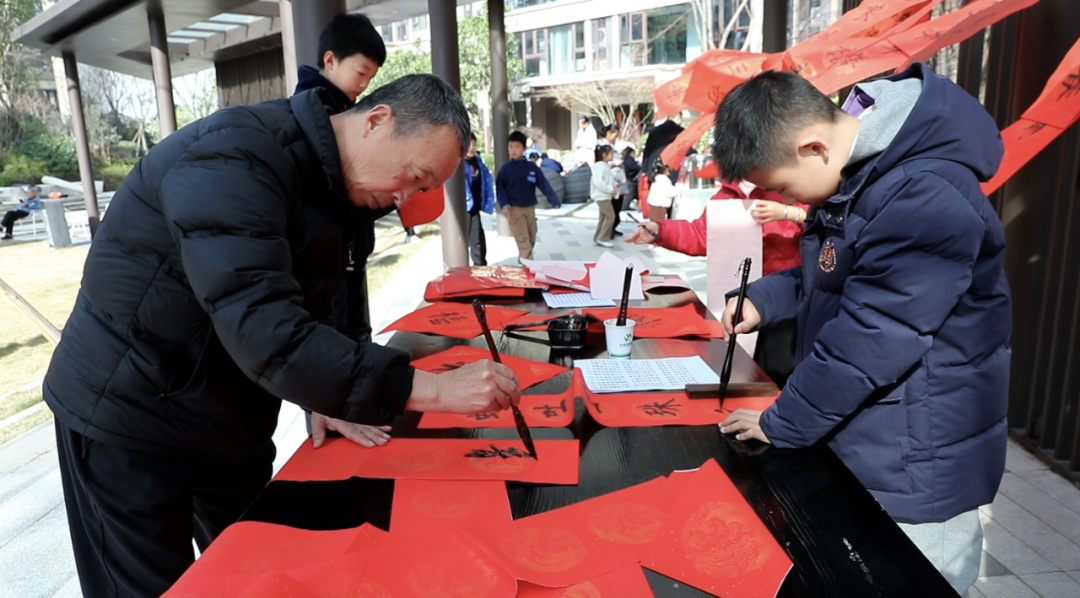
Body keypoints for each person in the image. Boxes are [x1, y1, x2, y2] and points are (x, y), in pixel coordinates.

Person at [46, 74, 522, 598]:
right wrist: (431, 389)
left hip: (227, 413)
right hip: (128, 412)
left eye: (422, 190)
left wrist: (329, 393)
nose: (402, 197)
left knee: (265, 568)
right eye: (413, 176)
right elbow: (266, 329)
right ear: (377, 120)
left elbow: (309, 308)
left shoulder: (334, 184)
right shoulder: (232, 157)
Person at [714, 65, 1011, 596]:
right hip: (879, 433)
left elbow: (871, 337)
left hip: (917, 456)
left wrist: (782, 422)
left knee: (918, 579)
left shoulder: (923, 194)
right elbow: (832, 278)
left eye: (782, 186)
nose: (791, 200)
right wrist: (761, 300)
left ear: (814, 147)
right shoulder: (862, 177)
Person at [292, 10, 387, 439]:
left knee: (356, 338)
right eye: (360, 72)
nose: (364, 84)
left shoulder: (347, 110)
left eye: (371, 77)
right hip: (325, 262)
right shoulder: (313, 119)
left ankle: (356, 412)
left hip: (351, 255)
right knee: (333, 345)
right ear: (329, 60)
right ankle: (333, 421)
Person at [625, 181, 804, 385]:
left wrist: (789, 213)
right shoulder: (724, 197)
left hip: (783, 304)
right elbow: (701, 235)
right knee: (739, 371)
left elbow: (822, 225)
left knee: (778, 372)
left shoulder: (787, 189)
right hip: (738, 299)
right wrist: (660, 230)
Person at [496, 131, 562, 261]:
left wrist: (554, 200)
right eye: (510, 147)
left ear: (524, 148)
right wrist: (504, 202)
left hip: (530, 207)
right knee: (522, 236)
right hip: (514, 208)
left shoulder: (531, 167)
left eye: (517, 147)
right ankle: (528, 262)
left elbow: (544, 184)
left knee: (532, 235)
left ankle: (524, 256)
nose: (513, 150)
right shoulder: (505, 169)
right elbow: (500, 188)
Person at [463, 133, 494, 266]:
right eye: (468, 144)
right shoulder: (457, 163)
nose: (472, 147)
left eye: (474, 144)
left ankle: (480, 266)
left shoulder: (478, 161)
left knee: (478, 239)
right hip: (462, 209)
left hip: (474, 207)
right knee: (463, 240)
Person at [590, 145, 617, 248]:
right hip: (602, 196)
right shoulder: (601, 167)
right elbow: (598, 181)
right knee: (610, 216)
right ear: (604, 155)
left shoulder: (602, 166)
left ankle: (598, 237)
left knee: (604, 217)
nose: (612, 156)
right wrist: (611, 189)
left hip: (603, 195)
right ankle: (603, 238)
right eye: (611, 154)